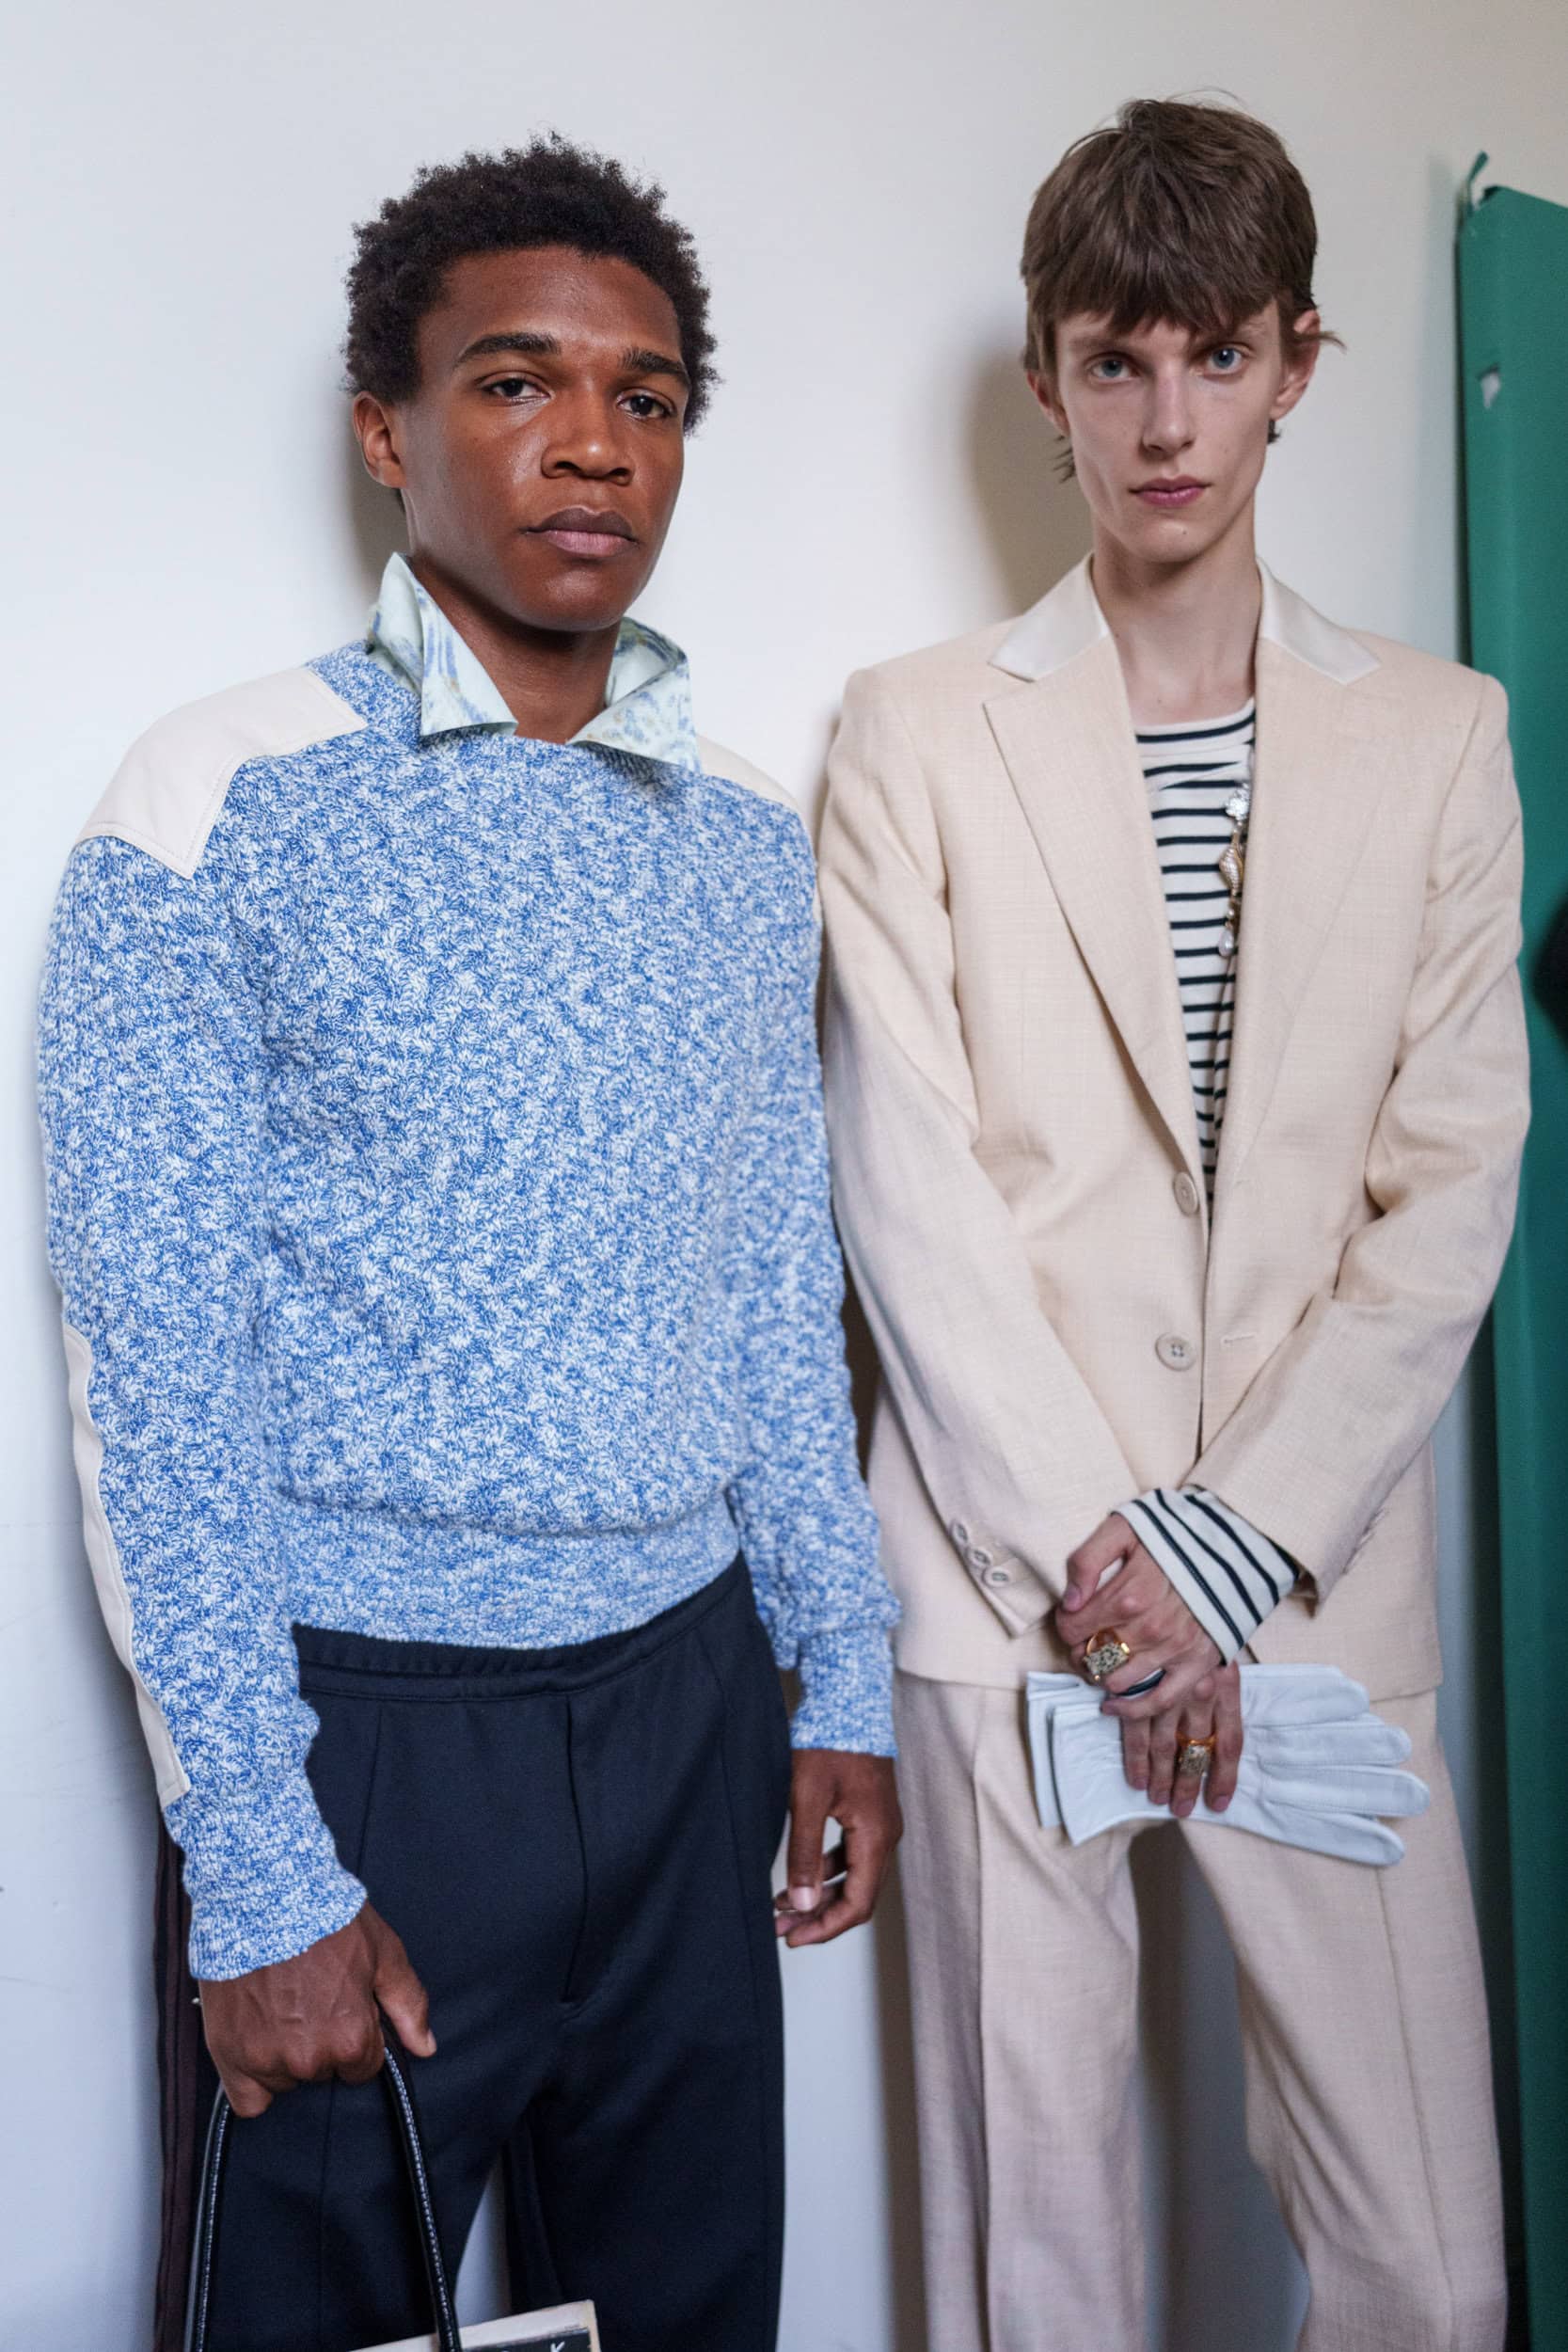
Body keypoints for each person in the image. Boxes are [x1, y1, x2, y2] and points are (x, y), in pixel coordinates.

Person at [39, 136, 900, 2352]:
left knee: (691, 2315)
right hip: (372, 1734)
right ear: (385, 430)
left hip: (695, 1705)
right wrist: (258, 1855)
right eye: (517, 381)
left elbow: (772, 1280)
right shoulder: (214, 797)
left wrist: (841, 1667)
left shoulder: (748, 839)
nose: (595, 441)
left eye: (648, 394)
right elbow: (157, 1366)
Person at [819, 97, 1525, 2352]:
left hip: (1312, 1578)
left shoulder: (1442, 735)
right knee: (1030, 2267)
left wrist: (1223, 1553)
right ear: (1049, 380)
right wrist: (1106, 1569)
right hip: (1013, 1584)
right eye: (1115, 361)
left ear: (1298, 361)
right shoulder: (914, 732)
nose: (1166, 421)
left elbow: (1448, 1186)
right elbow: (909, 1181)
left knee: (1431, 2261)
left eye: (1216, 356)